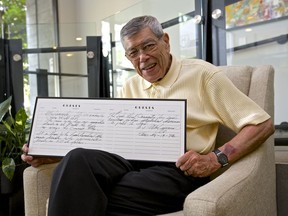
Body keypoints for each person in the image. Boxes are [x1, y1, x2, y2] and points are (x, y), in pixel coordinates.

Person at [22, 15, 274, 216]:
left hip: (178, 171)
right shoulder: (130, 86)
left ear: (165, 40)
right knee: (77, 159)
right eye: (133, 52)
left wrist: (215, 158)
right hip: (130, 162)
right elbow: (108, 142)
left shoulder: (203, 75)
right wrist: (51, 153)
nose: (142, 58)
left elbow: (262, 124)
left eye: (149, 46)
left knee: (80, 192)